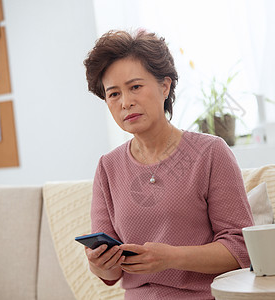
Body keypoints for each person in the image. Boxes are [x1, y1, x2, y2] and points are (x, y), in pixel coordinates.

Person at [83, 29, 254, 299]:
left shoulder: (210, 153)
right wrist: (99, 264)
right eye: (113, 94)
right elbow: (111, 274)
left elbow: (241, 249)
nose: (126, 102)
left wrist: (172, 258)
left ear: (165, 86)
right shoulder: (108, 167)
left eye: (135, 87)